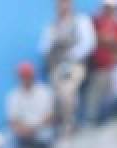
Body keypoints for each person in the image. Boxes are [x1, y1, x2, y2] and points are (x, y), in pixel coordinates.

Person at [39, 0, 96, 134]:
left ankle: (69, 124)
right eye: (60, 4)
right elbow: (43, 48)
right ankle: (58, 125)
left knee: (66, 90)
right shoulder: (52, 26)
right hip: (57, 67)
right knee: (53, 93)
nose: (63, 6)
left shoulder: (81, 21)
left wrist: (70, 55)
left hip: (75, 65)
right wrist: (52, 43)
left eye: (65, 3)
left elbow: (89, 43)